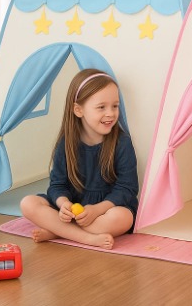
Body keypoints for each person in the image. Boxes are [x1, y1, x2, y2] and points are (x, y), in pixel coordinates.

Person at [20, 69, 139, 250]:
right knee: (28, 204)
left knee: (122, 218)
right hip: (75, 207)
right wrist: (64, 204)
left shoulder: (122, 142)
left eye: (115, 106)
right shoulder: (66, 143)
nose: (110, 113)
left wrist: (97, 210)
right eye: (101, 107)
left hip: (106, 209)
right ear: (78, 110)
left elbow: (127, 188)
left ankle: (59, 231)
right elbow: (57, 185)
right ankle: (87, 238)